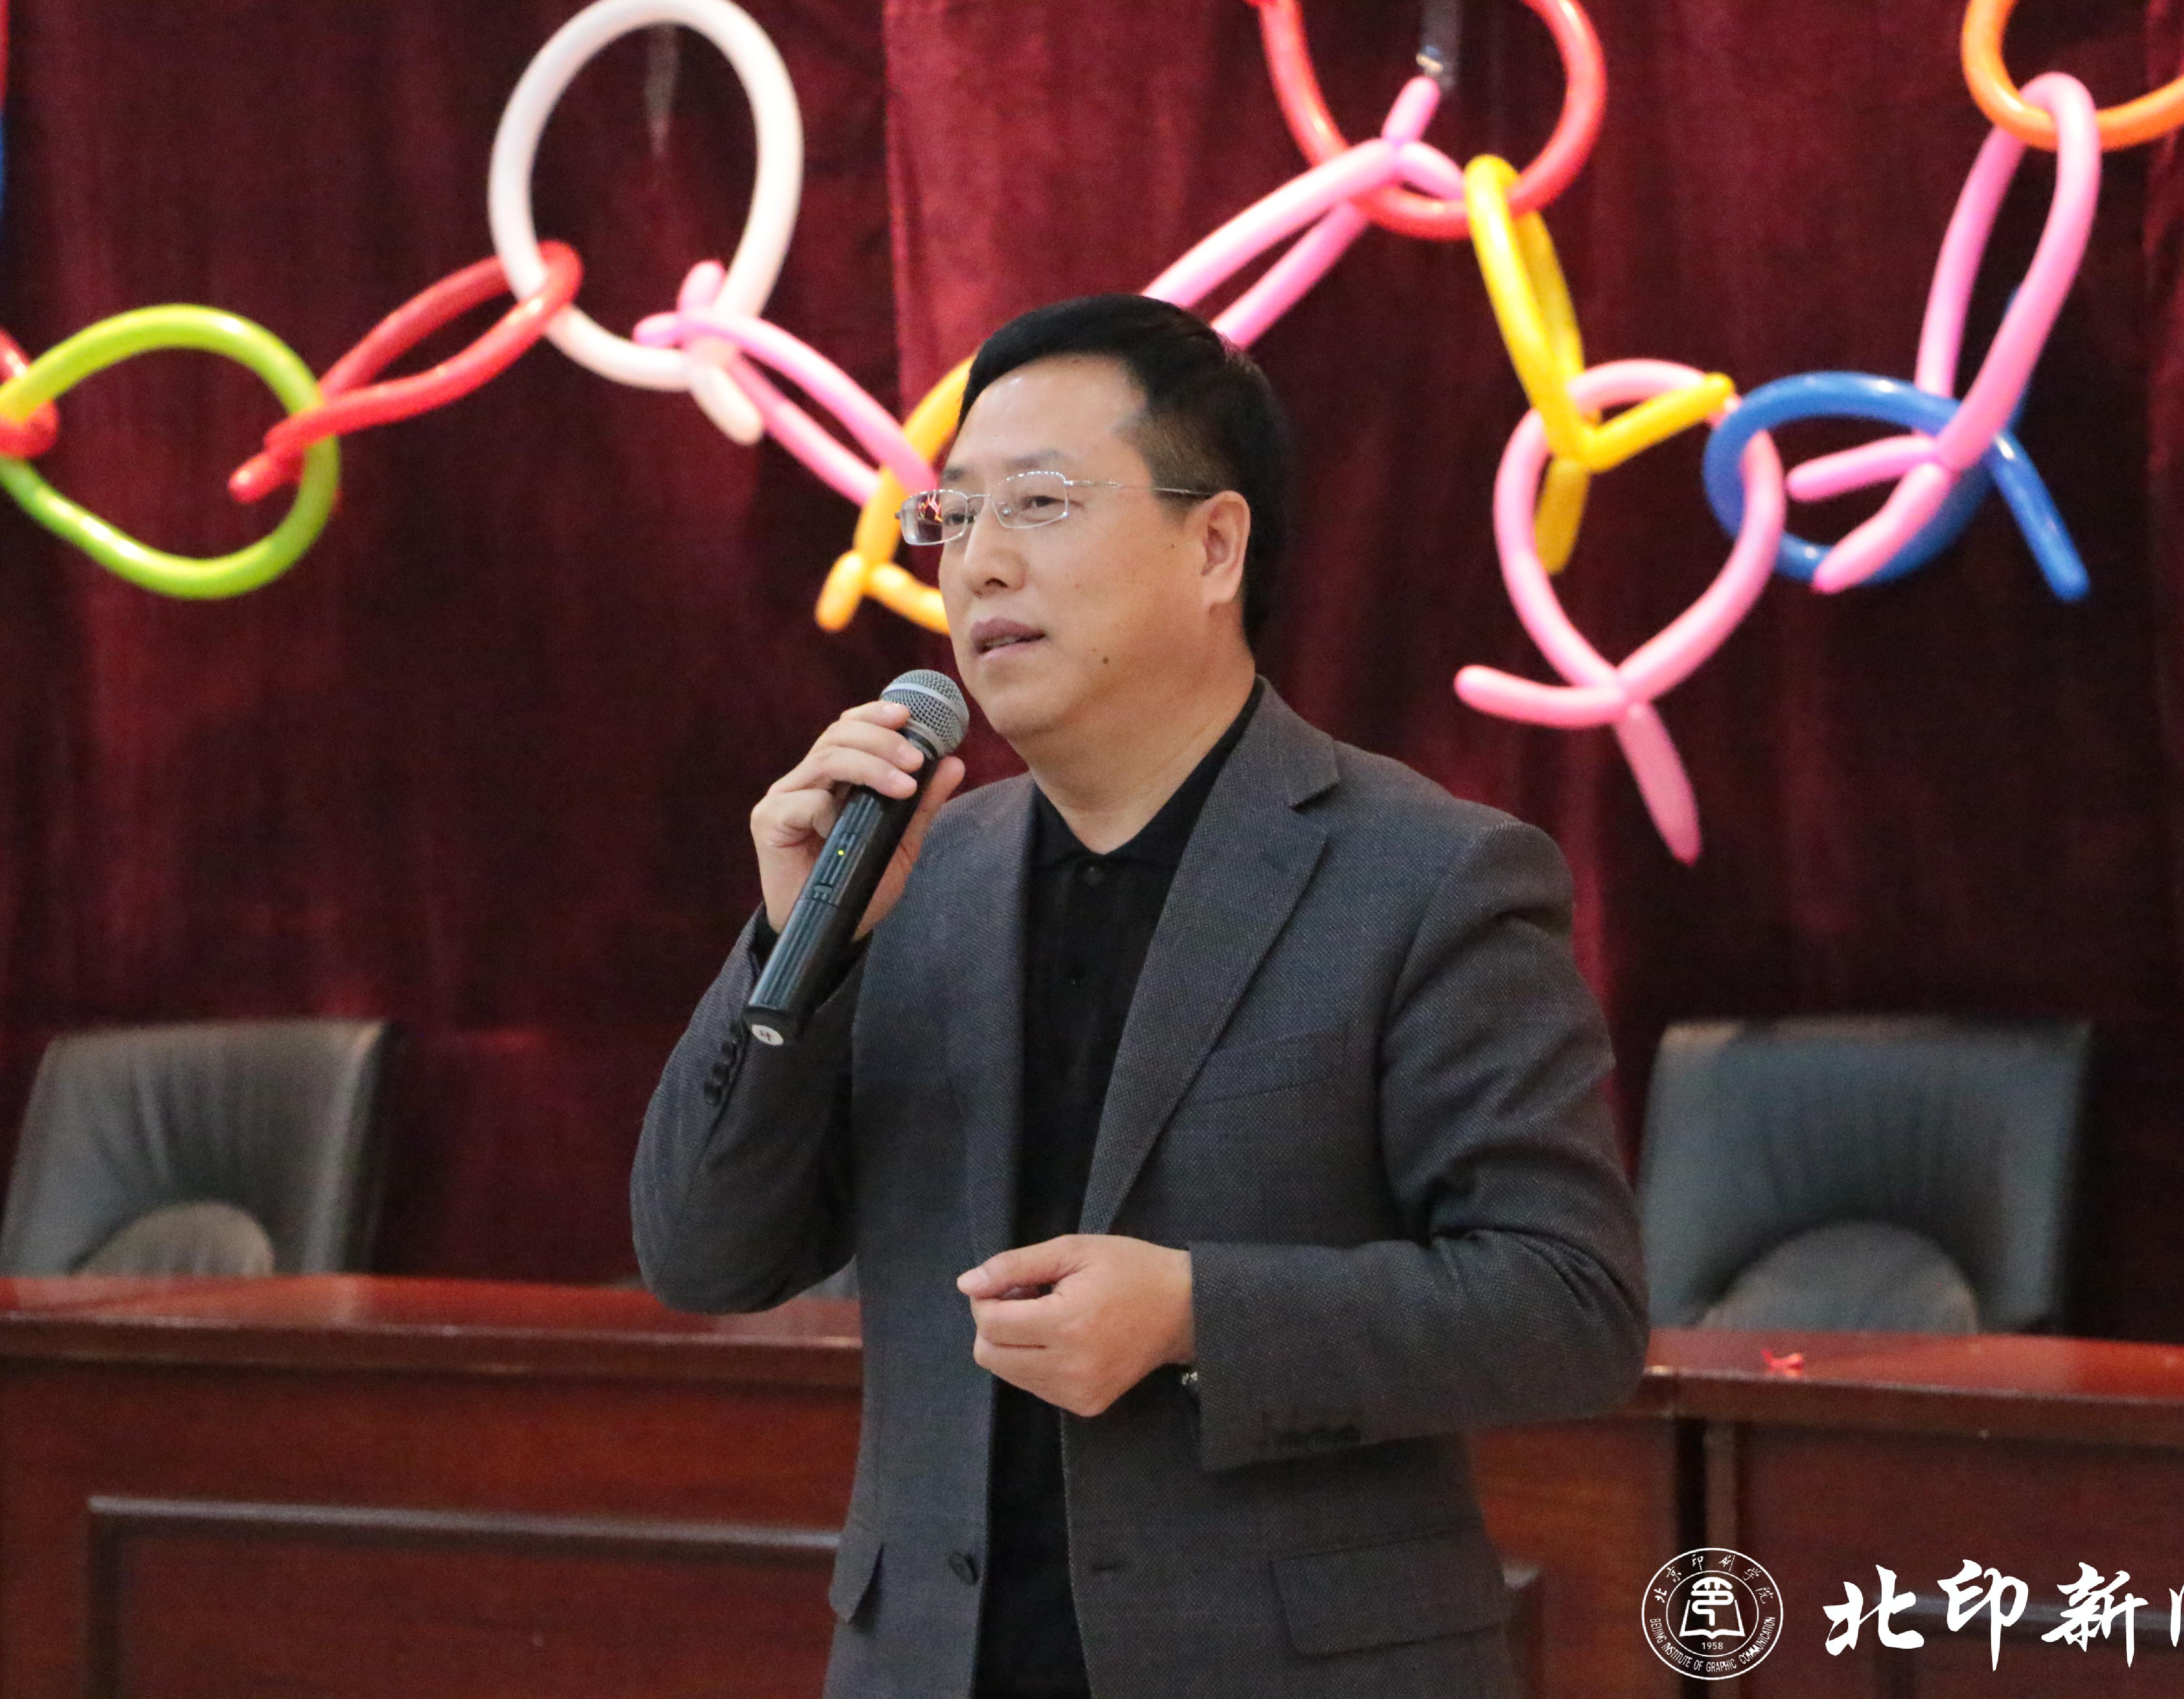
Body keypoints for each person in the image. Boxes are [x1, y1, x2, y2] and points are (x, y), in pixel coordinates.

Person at [634, 293, 1647, 1699]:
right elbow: (704, 1257)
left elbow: (1569, 1306)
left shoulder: (1429, 877)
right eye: (956, 517)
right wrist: (790, 944)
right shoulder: (911, 876)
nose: (980, 562)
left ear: (1214, 545)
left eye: (1041, 503)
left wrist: (1196, 1315)